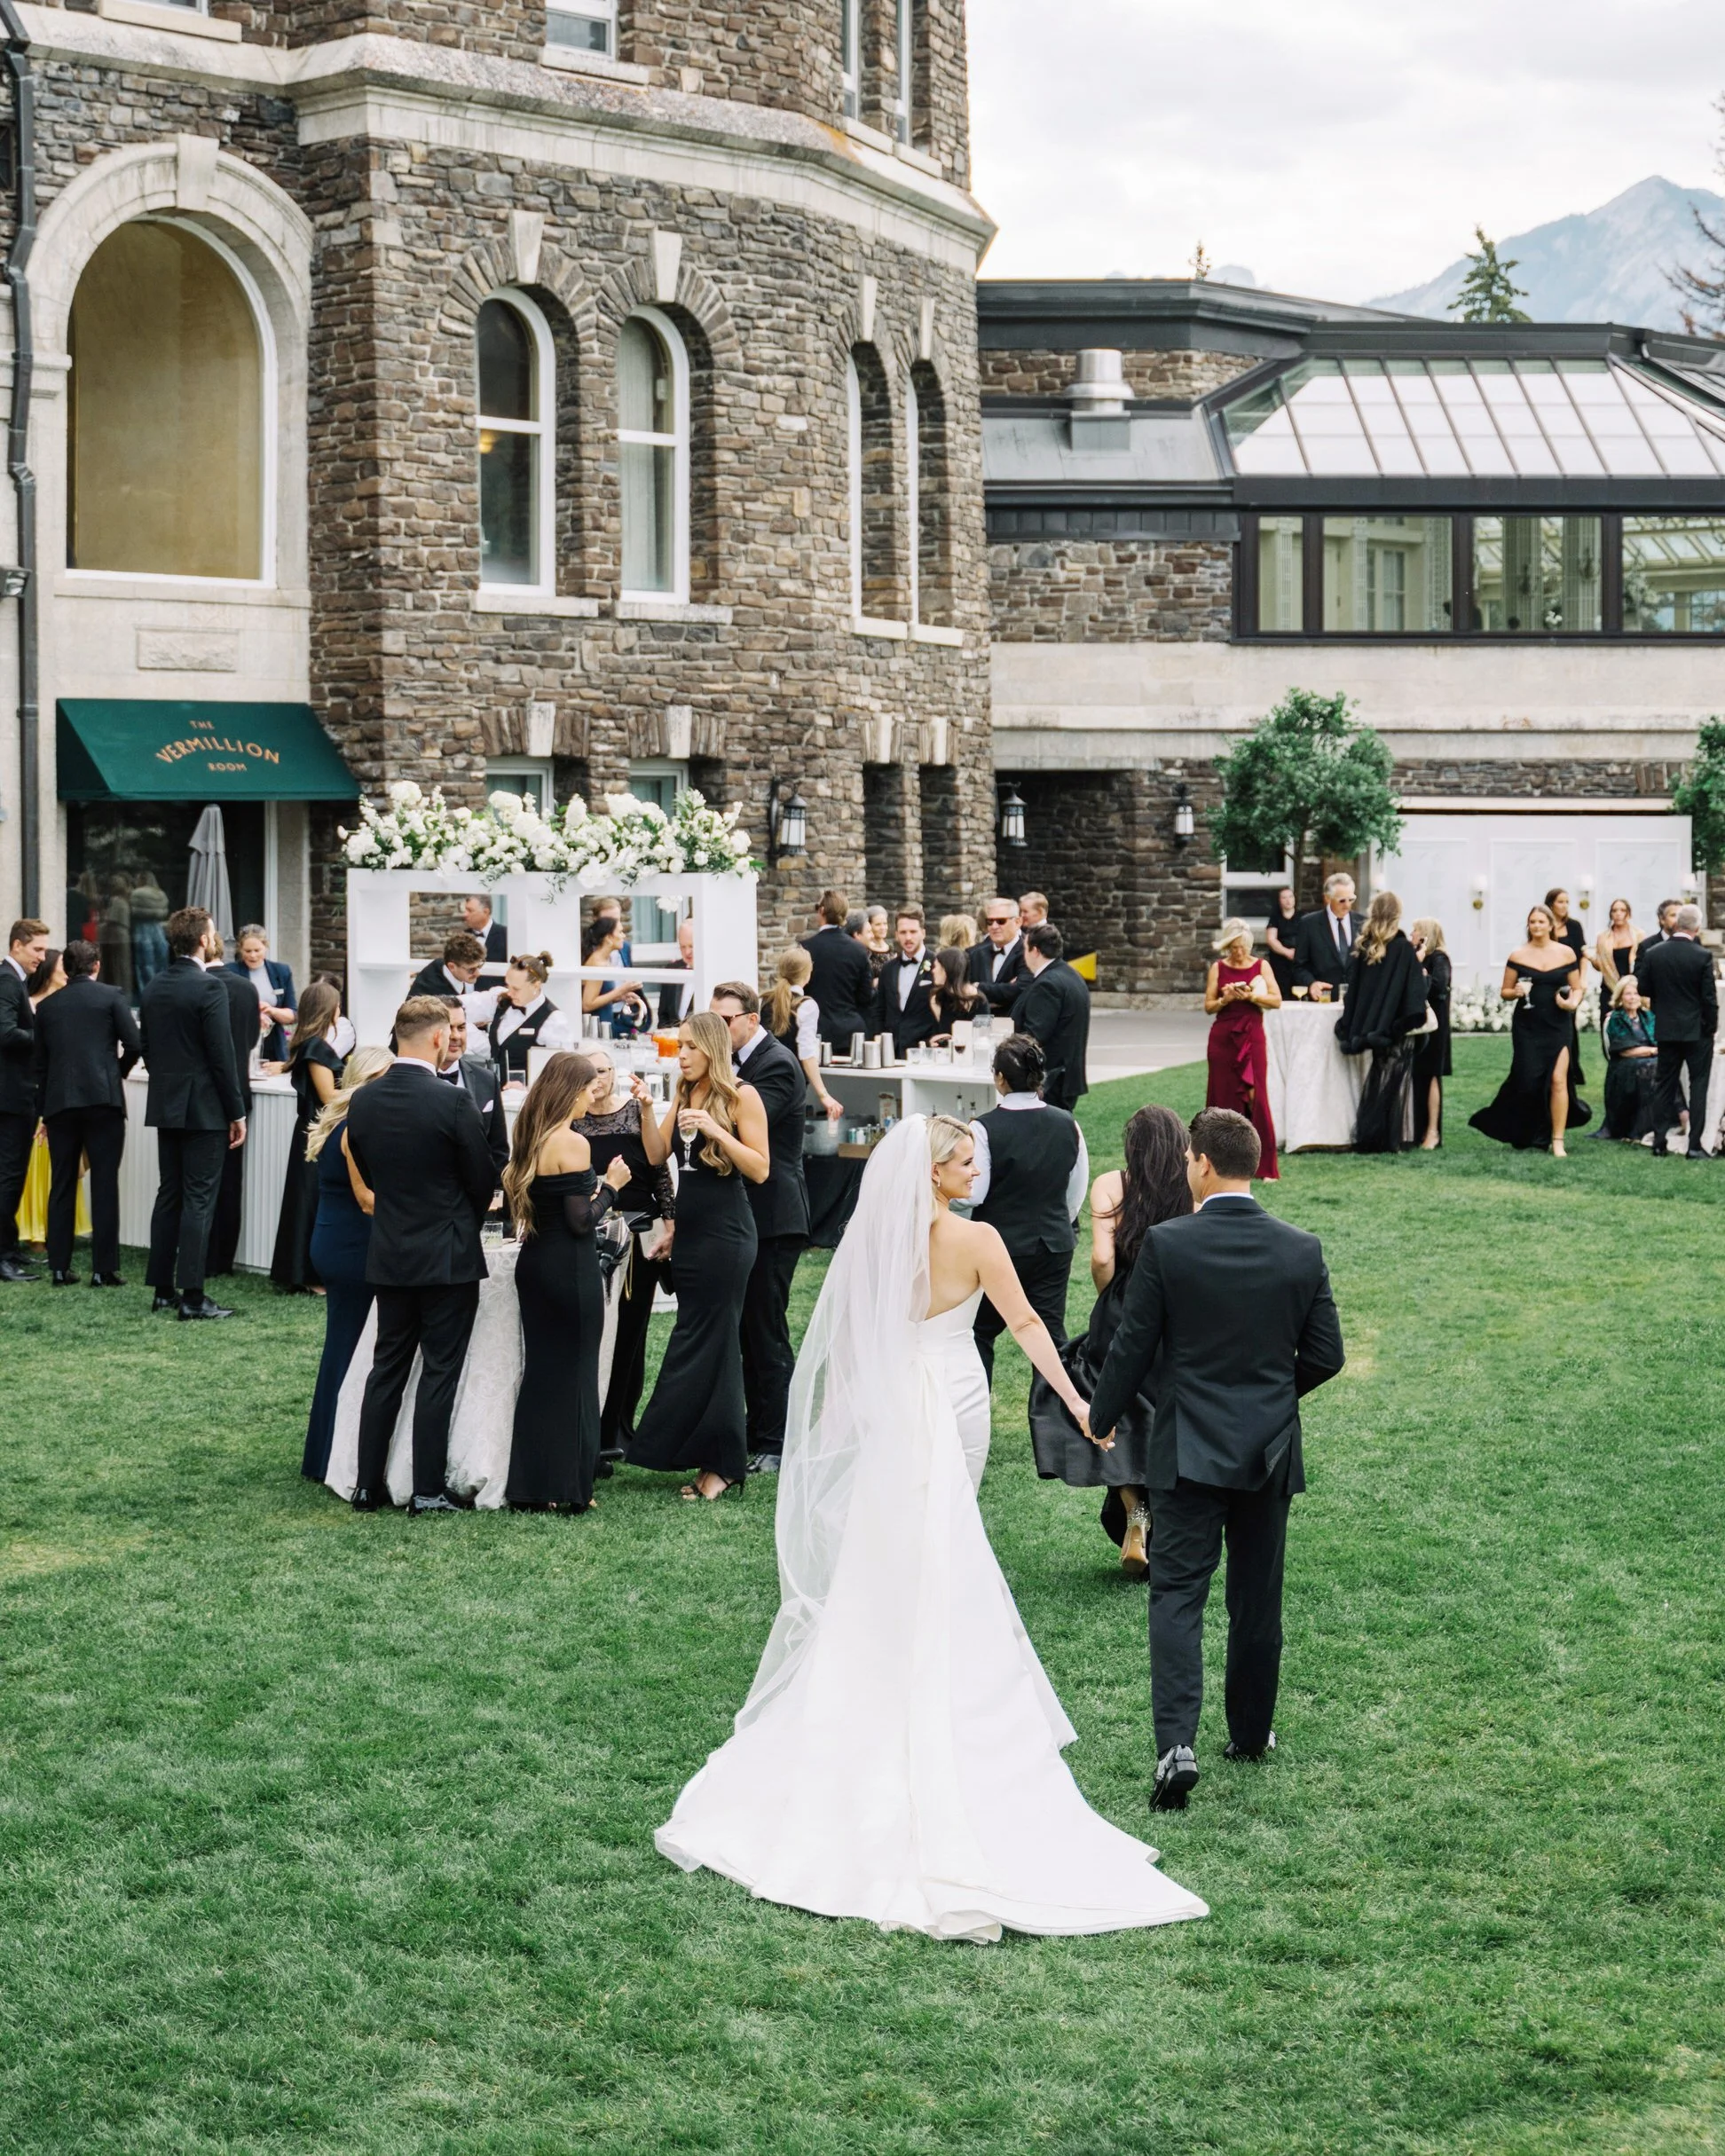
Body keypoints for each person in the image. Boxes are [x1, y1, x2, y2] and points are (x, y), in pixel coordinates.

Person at [655, 1113, 1207, 1940]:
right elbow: (1028, 1328)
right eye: (963, 1161)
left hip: (890, 1404)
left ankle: (882, 1668)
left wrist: (842, 1421)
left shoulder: (872, 1244)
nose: (973, 1172)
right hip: (952, 1397)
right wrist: (1082, 1401)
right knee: (943, 1540)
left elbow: (845, 1341)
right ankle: (934, 1676)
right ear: (936, 1172)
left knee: (894, 1541)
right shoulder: (977, 1241)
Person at [1091, 1107, 1345, 1812]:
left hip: (1188, 1449)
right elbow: (1327, 1355)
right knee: (1256, 1598)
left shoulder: (1171, 1246)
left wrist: (1100, 1416)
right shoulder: (1302, 1247)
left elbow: (1133, 1345)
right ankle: (1251, 1731)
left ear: (1201, 1163)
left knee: (1178, 1595)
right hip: (1269, 1452)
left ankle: (1176, 1746)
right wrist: (1271, 1396)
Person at [344, 995, 500, 1513]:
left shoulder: (363, 1101)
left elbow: (367, 1166)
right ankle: (428, 1490)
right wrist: (462, 1214)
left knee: (386, 1366)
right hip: (448, 1254)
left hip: (390, 1249)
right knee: (439, 1369)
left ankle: (367, 1485)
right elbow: (482, 1179)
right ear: (438, 1038)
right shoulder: (451, 1101)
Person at [1028, 1102, 1191, 1578]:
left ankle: (1134, 1505)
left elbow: (1102, 1258)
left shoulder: (1112, 1185)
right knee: (1160, 1407)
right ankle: (1155, 1512)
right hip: (1177, 1308)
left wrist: (1111, 1300)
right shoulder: (1193, 1184)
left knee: (1101, 1393)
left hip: (1125, 1303)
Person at [626, 1011, 768, 1501]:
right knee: (701, 1343)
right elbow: (655, 1154)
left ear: (711, 1048)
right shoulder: (686, 1093)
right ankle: (706, 1454)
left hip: (728, 1235)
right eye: (678, 1046)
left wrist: (715, 1128)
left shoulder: (740, 1096)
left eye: (688, 1046)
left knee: (717, 1344)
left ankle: (724, 1465)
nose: (680, 1054)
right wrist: (647, 1108)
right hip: (692, 1234)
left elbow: (761, 1169)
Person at [500, 1051, 634, 1513]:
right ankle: (572, 1489)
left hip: (535, 1265)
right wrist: (612, 1185)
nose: (593, 1096)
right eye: (588, 1089)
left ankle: (531, 1485)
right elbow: (581, 1221)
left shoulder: (529, 1134)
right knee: (577, 1377)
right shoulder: (572, 1143)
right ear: (571, 1092)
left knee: (541, 1375)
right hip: (569, 1268)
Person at [712, 981, 810, 1475]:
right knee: (746, 1327)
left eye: (725, 1020)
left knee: (765, 1328)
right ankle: (755, 1430)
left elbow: (746, 1127)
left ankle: (777, 1439)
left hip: (774, 1216)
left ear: (752, 1019)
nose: (718, 1028)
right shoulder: (734, 1064)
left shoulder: (775, 1064)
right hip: (743, 1215)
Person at [139, 907, 248, 1321]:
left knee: (169, 1195)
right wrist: (236, 1111)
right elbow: (222, 1056)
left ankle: (163, 1290)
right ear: (203, 940)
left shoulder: (152, 987)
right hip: (204, 1107)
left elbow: (146, 1046)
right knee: (199, 1200)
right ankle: (193, 1297)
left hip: (167, 1103)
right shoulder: (208, 988)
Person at [573, 1043, 675, 1457]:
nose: (600, 1078)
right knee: (596, 1331)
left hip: (638, 1230)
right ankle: (593, 1424)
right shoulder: (573, 1120)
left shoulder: (636, 1112)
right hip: (591, 1230)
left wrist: (671, 1222)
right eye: (591, 1071)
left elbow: (660, 1172)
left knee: (631, 1332)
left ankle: (618, 1428)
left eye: (605, 1069)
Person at [968, 1032, 1086, 1387]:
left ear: (1000, 1079)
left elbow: (977, 1193)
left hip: (999, 1249)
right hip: (1053, 1244)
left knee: (978, 1333)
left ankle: (974, 1416)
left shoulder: (983, 1128)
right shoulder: (1068, 1123)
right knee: (1050, 1340)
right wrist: (1054, 1220)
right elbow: (1076, 1189)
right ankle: (1062, 1425)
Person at [301, 1047, 391, 1483]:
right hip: (352, 1245)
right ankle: (331, 1456)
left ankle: (324, 1453)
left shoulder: (344, 1120)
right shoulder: (356, 1127)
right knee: (349, 1349)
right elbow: (368, 1200)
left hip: (336, 1240)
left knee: (344, 1344)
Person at [31, 938, 140, 1287]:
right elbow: (136, 1043)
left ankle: (60, 1267)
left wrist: (44, 1112)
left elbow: (40, 1065)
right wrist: (118, 1071)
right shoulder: (111, 997)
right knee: (105, 1182)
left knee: (61, 1182)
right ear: (96, 966)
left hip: (61, 1103)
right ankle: (103, 1269)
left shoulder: (48, 1007)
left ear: (65, 967)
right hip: (103, 1100)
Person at [1468, 905, 1590, 1156]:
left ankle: (1557, 1140)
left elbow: (1577, 988)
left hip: (1558, 1023)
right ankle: (1528, 1130)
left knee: (1558, 1080)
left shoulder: (1566, 953)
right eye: (1532, 922)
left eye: (1541, 922)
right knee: (1527, 1080)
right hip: (1528, 1025)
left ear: (1550, 925)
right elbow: (1505, 991)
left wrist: (1572, 1003)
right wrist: (1516, 992)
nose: (1536, 926)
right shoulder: (1518, 955)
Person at [1335, 891, 1430, 1155]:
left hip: (1375, 1025)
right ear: (1397, 914)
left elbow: (1356, 990)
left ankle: (1373, 1135)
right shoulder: (1401, 948)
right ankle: (1388, 1139)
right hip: (1393, 1027)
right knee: (1394, 1080)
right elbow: (1412, 992)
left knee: (1379, 1076)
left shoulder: (1365, 946)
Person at [269, 981, 344, 1292]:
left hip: (313, 1130)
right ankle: (308, 1276)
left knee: (308, 1198)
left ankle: (303, 1272)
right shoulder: (317, 1048)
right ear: (329, 1010)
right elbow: (329, 1096)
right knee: (311, 1200)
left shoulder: (312, 1045)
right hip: (317, 1133)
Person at [1635, 905, 1718, 1160]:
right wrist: (1711, 1028)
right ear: (1697, 927)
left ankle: (1659, 1142)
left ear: (1677, 924)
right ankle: (1694, 1146)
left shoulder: (1654, 953)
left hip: (1667, 1028)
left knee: (1664, 1085)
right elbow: (1709, 999)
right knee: (1698, 1086)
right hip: (1697, 1032)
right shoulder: (1702, 956)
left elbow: (1643, 987)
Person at [1204, 918, 1280, 1178]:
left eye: (1243, 947)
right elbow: (1208, 1006)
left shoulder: (1262, 966)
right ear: (1228, 946)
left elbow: (1276, 1000)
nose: (1239, 953)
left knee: (1256, 1096)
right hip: (1223, 1036)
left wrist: (1251, 996)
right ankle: (1220, 1162)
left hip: (1251, 1035)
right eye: (1234, 947)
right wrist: (1225, 998)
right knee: (1221, 1095)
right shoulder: (1218, 968)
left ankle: (1265, 1166)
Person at [208, 920, 264, 1279]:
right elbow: (253, 1036)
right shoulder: (244, 989)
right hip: (239, 1090)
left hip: (205, 1096)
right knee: (230, 1182)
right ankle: (221, 1258)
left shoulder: (201, 986)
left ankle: (200, 1255)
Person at [0, 917, 49, 1283]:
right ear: (17, 945)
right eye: (38, 950)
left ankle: (10, 1247)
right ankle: (2, 1256)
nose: (42, 958)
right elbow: (5, 1033)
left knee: (12, 1174)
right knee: (9, 1174)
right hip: (12, 1095)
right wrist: (45, 1037)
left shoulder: (15, 979)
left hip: (15, 1093)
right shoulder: (6, 979)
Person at [1013, 924, 1091, 1112]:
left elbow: (1033, 1036)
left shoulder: (1047, 984)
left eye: (1025, 949)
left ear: (1035, 951)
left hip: (1051, 1080)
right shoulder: (1070, 975)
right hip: (1065, 1077)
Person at [762, 948, 843, 1121]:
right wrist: (823, 1095)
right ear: (808, 974)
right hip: (791, 1082)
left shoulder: (765, 1000)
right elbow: (806, 1054)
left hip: (762, 1079)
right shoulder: (807, 1005)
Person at [435, 997, 509, 1182]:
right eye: (448, 1028)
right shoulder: (412, 1079)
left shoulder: (486, 1079)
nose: (456, 1036)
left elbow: (498, 1150)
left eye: (461, 1028)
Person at [800, 890, 875, 1047]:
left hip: (815, 1029)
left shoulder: (806, 948)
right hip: (851, 1031)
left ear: (821, 911)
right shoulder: (858, 949)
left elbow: (800, 992)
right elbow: (866, 996)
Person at [488, 951, 573, 1080]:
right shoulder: (502, 1002)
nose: (509, 993)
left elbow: (562, 1071)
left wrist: (526, 1087)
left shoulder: (554, 1020)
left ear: (536, 985)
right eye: (508, 986)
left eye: (516, 989)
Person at [1598, 977, 1660, 1143]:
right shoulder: (1616, 1019)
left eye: (1636, 993)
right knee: (1649, 1066)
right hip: (1623, 1067)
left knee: (1661, 1067)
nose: (1632, 997)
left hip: (1648, 1061)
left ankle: (1670, 1120)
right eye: (1628, 994)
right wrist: (1653, 1050)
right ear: (1620, 997)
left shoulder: (1648, 1016)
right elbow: (1625, 1051)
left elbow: (1660, 1040)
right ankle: (1637, 1129)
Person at [1409, 917, 1452, 1149]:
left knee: (1432, 1075)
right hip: (1418, 1024)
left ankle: (1433, 1131)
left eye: (1415, 930)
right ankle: (1416, 1129)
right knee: (1418, 1076)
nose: (1411, 934)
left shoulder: (1439, 958)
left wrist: (1420, 969)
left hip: (1435, 1026)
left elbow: (1438, 987)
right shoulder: (1417, 957)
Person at [226, 925, 296, 1062]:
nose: (253, 955)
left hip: (274, 1044)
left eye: (257, 950)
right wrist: (253, 1015)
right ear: (240, 949)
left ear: (266, 947)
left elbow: (293, 1014)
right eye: (248, 951)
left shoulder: (282, 971)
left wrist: (271, 1010)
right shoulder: (230, 972)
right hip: (241, 1043)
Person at [875, 907, 939, 1054]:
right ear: (896, 935)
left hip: (926, 1049)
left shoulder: (937, 965)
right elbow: (879, 1009)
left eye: (913, 932)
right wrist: (878, 1037)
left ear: (923, 933)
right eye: (903, 932)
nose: (908, 937)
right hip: (892, 1050)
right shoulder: (888, 969)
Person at [1544, 887, 1590, 1084]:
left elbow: (1583, 956)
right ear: (1551, 904)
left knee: (1569, 1024)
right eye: (1560, 902)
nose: (1564, 906)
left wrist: (1581, 980)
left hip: (1570, 982)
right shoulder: (1545, 925)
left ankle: (1571, 1069)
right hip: (1549, 980)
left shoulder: (1574, 926)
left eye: (1566, 902)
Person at [1291, 872, 1363, 995]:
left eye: (1351, 899)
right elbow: (1299, 966)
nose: (1347, 905)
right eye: (1342, 900)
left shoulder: (1363, 923)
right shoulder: (1309, 924)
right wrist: (1311, 984)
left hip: (1358, 1000)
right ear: (1327, 898)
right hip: (1324, 998)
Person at [580, 915, 650, 1035]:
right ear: (608, 938)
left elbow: (599, 996)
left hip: (606, 1023)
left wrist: (620, 997)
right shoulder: (597, 963)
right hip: (597, 1028)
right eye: (620, 932)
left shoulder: (605, 961)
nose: (623, 936)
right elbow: (587, 1004)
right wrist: (622, 989)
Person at [967, 895, 1028, 1014]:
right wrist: (1006, 991)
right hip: (978, 1026)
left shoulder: (1028, 953)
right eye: (990, 922)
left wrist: (977, 987)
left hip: (1016, 1026)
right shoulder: (974, 954)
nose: (994, 927)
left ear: (1017, 922)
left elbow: (1022, 990)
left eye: (1001, 921)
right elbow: (962, 991)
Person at [408, 931, 487, 1004]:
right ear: (452, 966)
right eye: (471, 970)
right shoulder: (438, 999)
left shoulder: (441, 964)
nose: (478, 973)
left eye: (480, 965)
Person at [1594, 898, 1639, 1004]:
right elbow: (1599, 965)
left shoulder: (1638, 935)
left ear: (1628, 913)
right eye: (1614, 911)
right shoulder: (1602, 937)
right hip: (1609, 985)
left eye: (1622, 910)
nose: (1618, 914)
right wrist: (1591, 958)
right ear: (1611, 914)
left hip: (1632, 987)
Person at [656, 912, 697, 1027]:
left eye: (691, 946)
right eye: (682, 947)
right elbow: (663, 1018)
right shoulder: (672, 970)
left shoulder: (714, 975)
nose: (687, 952)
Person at [1264, 887, 1300, 999]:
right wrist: (1287, 952)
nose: (1288, 900)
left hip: (1299, 961)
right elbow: (1271, 939)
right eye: (1284, 897)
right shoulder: (1275, 918)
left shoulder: (1303, 917)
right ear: (1279, 900)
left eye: (1290, 897)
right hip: (1280, 963)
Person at [462, 892, 509, 967]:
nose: (465, 914)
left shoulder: (506, 935)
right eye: (465, 910)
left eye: (470, 910)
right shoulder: (462, 936)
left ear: (486, 912)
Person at [1635, 900, 1682, 974]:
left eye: (1681, 916)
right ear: (1662, 919)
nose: (1678, 920)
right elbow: (1640, 976)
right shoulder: (1647, 946)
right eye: (1673, 915)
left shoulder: (1693, 942)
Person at [862, 904, 894, 980]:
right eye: (878, 924)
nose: (883, 928)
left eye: (885, 924)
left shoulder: (891, 949)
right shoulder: (865, 950)